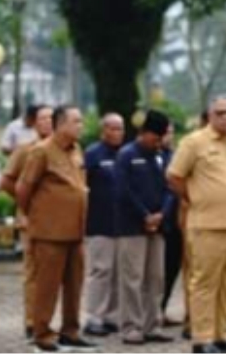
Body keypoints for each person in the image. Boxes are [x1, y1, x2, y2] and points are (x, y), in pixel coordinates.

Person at [168, 95, 226, 354]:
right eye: (220, 113)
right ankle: (202, 339)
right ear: (209, 115)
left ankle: (221, 334)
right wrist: (196, 198)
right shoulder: (194, 142)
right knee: (204, 283)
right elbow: (174, 176)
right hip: (208, 225)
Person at [17, 105, 96, 352]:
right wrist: (35, 217)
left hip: (76, 231)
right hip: (49, 233)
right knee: (47, 286)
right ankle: (42, 334)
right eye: (76, 121)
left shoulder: (76, 150)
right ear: (60, 124)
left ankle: (70, 331)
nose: (81, 126)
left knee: (75, 285)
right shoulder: (41, 152)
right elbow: (23, 189)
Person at [115, 110, 176, 344]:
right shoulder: (127, 155)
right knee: (132, 278)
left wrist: (162, 214)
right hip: (132, 227)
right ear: (143, 133)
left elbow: (170, 187)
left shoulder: (161, 156)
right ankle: (131, 327)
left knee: (156, 278)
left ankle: (153, 325)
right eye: (155, 137)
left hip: (158, 226)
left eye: (161, 138)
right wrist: (145, 215)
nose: (158, 142)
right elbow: (123, 191)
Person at [0, 105, 53, 340]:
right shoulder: (24, 150)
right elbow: (6, 182)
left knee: (54, 274)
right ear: (34, 123)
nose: (46, 123)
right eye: (41, 119)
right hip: (31, 220)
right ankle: (31, 321)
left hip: (58, 223)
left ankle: (48, 320)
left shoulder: (65, 150)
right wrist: (27, 202)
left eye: (51, 119)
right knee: (33, 273)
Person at [82, 113, 124, 337]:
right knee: (101, 271)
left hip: (122, 225)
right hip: (99, 223)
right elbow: (82, 187)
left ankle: (112, 316)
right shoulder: (92, 154)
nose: (118, 133)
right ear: (103, 130)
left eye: (121, 129)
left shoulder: (126, 154)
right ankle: (94, 317)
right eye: (114, 128)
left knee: (118, 272)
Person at [161, 121, 185, 327]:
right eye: (165, 132)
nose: (168, 136)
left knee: (171, 269)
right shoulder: (151, 156)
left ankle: (162, 309)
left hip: (175, 223)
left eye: (171, 132)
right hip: (157, 223)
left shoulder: (175, 156)